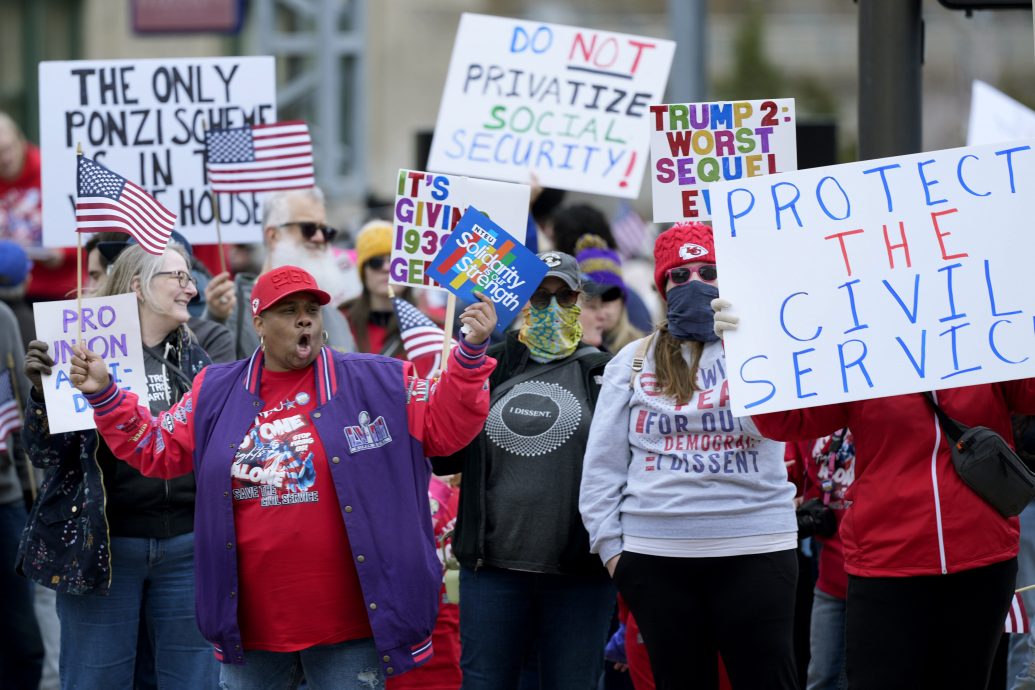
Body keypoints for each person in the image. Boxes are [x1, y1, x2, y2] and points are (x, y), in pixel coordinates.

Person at [65, 264, 498, 689]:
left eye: (312, 307)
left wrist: (469, 355)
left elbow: (446, 430)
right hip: (251, 631)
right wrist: (105, 393)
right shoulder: (214, 389)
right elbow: (155, 447)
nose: (304, 317)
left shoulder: (380, 379)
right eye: (288, 310)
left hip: (351, 625)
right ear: (259, 322)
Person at [713, 298, 1035, 690]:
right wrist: (748, 345)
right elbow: (786, 419)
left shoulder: (979, 319)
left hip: (981, 556)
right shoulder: (854, 335)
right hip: (887, 560)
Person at [579, 222, 799, 690]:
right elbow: (601, 471)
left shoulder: (766, 349)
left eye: (709, 270)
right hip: (657, 562)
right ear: (661, 288)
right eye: (679, 276)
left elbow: (796, 423)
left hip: (756, 550)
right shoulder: (632, 361)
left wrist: (759, 342)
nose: (695, 283)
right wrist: (618, 556)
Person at [18, 242, 218, 689]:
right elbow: (45, 456)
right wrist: (41, 398)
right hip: (103, 552)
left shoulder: (196, 358)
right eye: (179, 277)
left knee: (195, 681)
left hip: (187, 549)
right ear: (138, 287)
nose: (191, 287)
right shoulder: (78, 351)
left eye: (190, 277)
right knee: (95, 680)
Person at [433, 251, 614, 690]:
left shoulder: (605, 372)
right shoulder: (489, 363)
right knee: (483, 682)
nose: (551, 306)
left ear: (580, 301)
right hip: (493, 571)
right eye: (539, 296)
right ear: (520, 301)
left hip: (578, 575)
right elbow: (445, 455)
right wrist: (462, 368)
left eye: (564, 295)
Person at [204, 187, 359, 358]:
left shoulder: (337, 318)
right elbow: (210, 371)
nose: (320, 238)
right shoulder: (231, 305)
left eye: (326, 231)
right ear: (273, 235)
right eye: (308, 228)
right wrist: (216, 317)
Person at [92, 231, 236, 363]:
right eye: (178, 276)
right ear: (138, 286)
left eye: (187, 278)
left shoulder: (208, 341)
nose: (193, 291)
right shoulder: (95, 344)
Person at [0, 299, 43, 690]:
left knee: (23, 641)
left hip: (5, 500)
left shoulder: (2, 316)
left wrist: (29, 487)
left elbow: (14, 396)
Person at [0, 112, 78, 303]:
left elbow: (88, 226)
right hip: (6, 288)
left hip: (58, 289)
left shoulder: (53, 170)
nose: (5, 158)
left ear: (21, 141)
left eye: (8, 149)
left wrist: (64, 252)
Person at [345, 220, 413, 357]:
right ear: (363, 272)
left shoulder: (436, 327)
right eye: (376, 262)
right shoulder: (341, 322)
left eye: (395, 260)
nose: (386, 268)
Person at [575, 234, 645, 353]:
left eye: (609, 295)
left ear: (622, 301)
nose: (601, 309)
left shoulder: (640, 348)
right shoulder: (567, 349)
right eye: (591, 300)